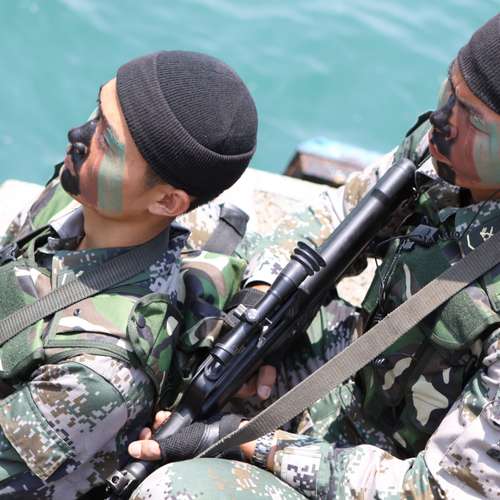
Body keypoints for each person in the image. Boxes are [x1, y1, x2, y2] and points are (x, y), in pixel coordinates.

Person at [129, 14, 500, 499]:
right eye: (448, 88)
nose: (443, 119)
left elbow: (437, 489)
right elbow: (331, 218)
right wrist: (264, 310)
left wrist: (251, 444)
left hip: (396, 471)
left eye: (473, 118)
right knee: (190, 258)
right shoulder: (443, 155)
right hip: (357, 381)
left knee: (174, 491)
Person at [0, 50, 257, 498]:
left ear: (167, 202)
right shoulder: (85, 192)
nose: (78, 135)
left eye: (107, 140)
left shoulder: (99, 374)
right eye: (97, 113)